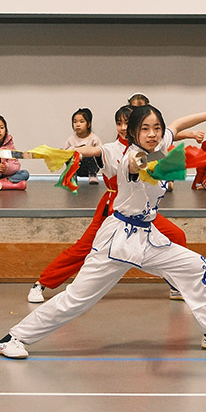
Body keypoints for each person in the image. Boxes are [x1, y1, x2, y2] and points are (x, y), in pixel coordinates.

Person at [0, 105, 206, 358]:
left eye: (156, 128)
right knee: (77, 299)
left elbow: (177, 125)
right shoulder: (130, 158)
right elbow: (138, 164)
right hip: (118, 239)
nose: (152, 133)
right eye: (145, 129)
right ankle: (13, 338)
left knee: (196, 265)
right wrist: (174, 161)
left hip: (148, 236)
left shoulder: (159, 144)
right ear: (134, 133)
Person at [27, 105, 189, 303]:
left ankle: (176, 286)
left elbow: (170, 133)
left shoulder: (149, 147)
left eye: (127, 123)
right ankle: (41, 283)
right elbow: (92, 150)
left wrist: (190, 134)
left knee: (176, 235)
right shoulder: (111, 149)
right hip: (113, 210)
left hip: (140, 210)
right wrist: (71, 152)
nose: (123, 127)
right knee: (83, 249)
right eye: (119, 123)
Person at [65, 107, 103, 184]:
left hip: (90, 166)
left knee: (92, 155)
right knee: (68, 157)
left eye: (81, 122)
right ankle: (72, 176)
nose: (78, 124)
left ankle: (92, 175)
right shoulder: (71, 139)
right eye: (75, 122)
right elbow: (65, 152)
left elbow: (101, 151)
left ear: (88, 124)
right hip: (77, 166)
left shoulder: (94, 138)